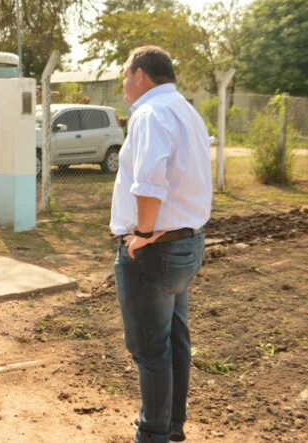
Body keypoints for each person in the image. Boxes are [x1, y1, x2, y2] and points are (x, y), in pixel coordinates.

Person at [111, 46, 212, 443]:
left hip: (156, 249)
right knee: (174, 341)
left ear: (140, 75)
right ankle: (172, 427)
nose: (123, 84)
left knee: (151, 350)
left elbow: (151, 183)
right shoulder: (186, 110)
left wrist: (143, 234)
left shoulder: (150, 114)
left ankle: (152, 434)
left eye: (124, 75)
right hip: (186, 244)